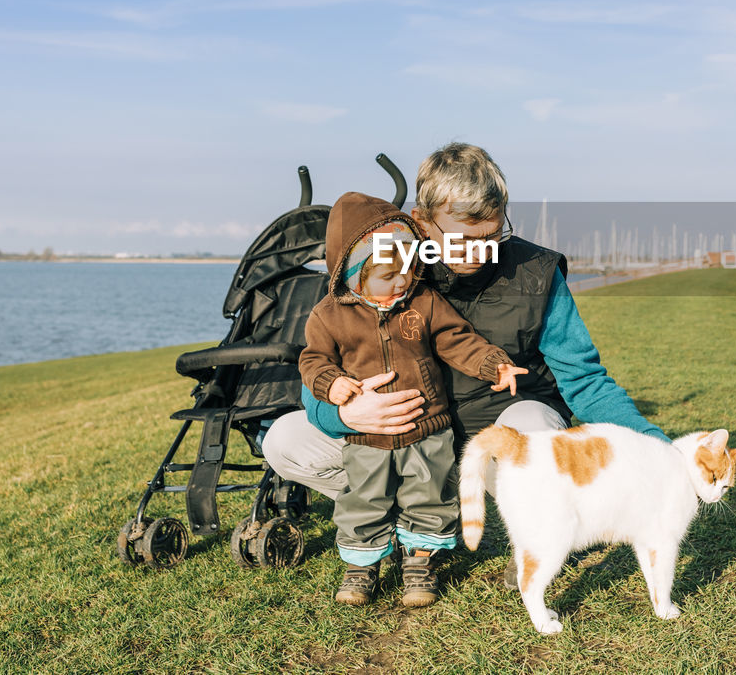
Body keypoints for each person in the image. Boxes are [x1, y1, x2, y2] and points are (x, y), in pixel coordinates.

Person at [262, 142, 667, 586]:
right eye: (462, 239)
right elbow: (316, 372)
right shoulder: (375, 267)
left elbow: (585, 381)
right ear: (421, 220)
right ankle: (406, 522)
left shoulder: (537, 273)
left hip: (495, 438)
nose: (479, 252)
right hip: (402, 443)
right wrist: (344, 412)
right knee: (284, 439)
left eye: (493, 236)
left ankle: (538, 533)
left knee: (533, 419)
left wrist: (656, 450)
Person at [299, 191, 526, 607]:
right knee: (363, 498)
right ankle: (362, 564)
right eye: (389, 275)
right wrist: (330, 384)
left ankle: (421, 562)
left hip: (427, 427)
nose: (402, 281)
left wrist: (495, 364)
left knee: (430, 493)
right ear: (353, 274)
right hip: (367, 438)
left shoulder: (422, 302)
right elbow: (312, 360)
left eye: (408, 270)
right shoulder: (328, 316)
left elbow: (456, 339)